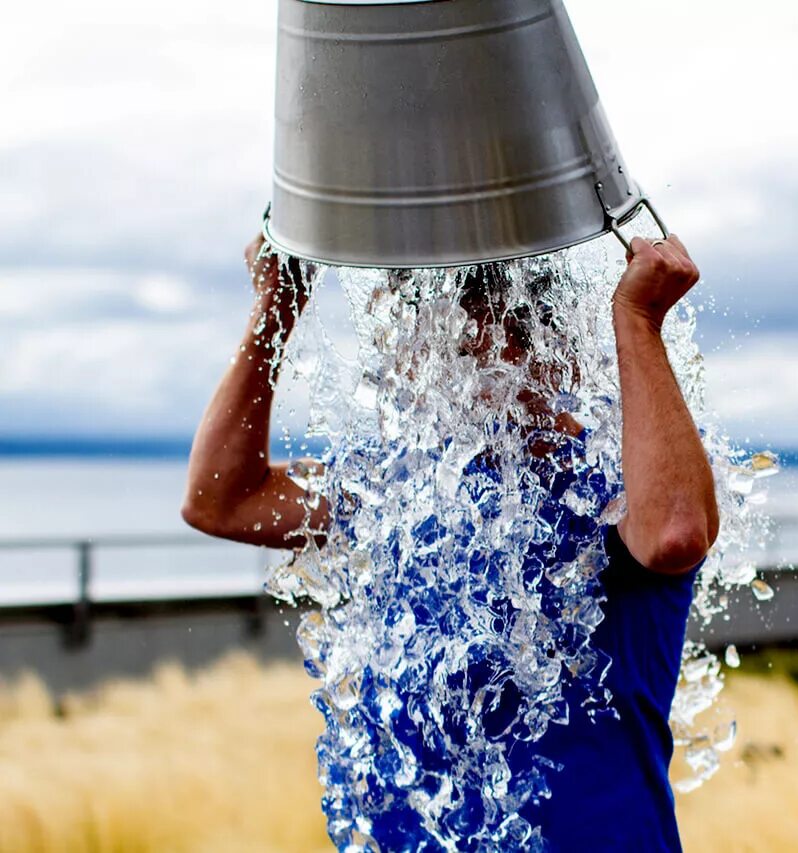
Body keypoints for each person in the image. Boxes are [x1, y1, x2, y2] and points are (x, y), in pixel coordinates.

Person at [182, 231, 720, 851]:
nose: (429, 379)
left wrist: (638, 319)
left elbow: (676, 534)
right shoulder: (406, 488)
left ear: (550, 351)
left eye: (463, 348)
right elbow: (222, 500)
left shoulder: (608, 485)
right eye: (426, 351)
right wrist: (277, 306)